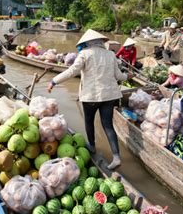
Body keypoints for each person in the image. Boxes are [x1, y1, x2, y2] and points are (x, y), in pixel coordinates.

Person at [47, 29, 132, 170]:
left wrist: (54, 81)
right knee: (108, 125)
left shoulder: (84, 54)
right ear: (101, 42)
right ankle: (116, 157)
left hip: (91, 96)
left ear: (87, 43)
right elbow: (118, 76)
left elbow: (72, 71)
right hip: (109, 96)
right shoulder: (111, 54)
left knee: (89, 121)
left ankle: (92, 146)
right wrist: (127, 76)